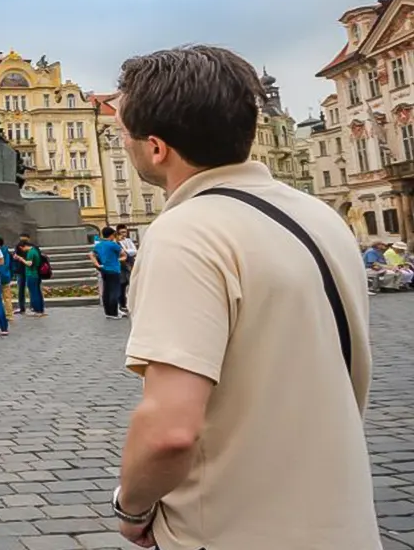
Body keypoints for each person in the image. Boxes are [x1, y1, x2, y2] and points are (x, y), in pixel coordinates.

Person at [110, 45, 380, 548]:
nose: (122, 144)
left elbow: (170, 429)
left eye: (123, 134)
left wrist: (132, 506)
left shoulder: (186, 232)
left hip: (234, 526)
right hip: (341, 520)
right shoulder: (318, 215)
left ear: (156, 148)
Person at [90, 227, 127, 319]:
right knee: (114, 291)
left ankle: (108, 312)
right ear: (111, 235)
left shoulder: (99, 245)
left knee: (106, 291)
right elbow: (124, 255)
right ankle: (114, 313)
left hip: (104, 270)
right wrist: (118, 260)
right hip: (114, 269)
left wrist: (97, 264)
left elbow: (91, 254)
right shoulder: (113, 245)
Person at [13, 238, 45, 317]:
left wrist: (21, 259)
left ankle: (36, 310)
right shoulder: (35, 250)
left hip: (31, 274)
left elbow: (29, 263)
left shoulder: (30, 252)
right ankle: (40, 309)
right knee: (37, 292)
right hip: (36, 274)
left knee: (33, 293)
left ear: (22, 247)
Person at [0, 236, 15, 324]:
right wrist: (10, 275)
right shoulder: (8, 252)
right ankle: (9, 315)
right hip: (6, 277)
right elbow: (12, 265)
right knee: (7, 298)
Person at [116, 224, 138, 313]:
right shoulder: (117, 242)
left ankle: (133, 302)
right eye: (122, 232)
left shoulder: (128, 241)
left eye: (125, 232)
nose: (124, 234)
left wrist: (129, 252)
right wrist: (129, 252)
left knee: (132, 283)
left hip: (131, 263)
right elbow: (125, 252)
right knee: (122, 285)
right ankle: (122, 304)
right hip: (122, 265)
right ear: (118, 232)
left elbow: (134, 250)